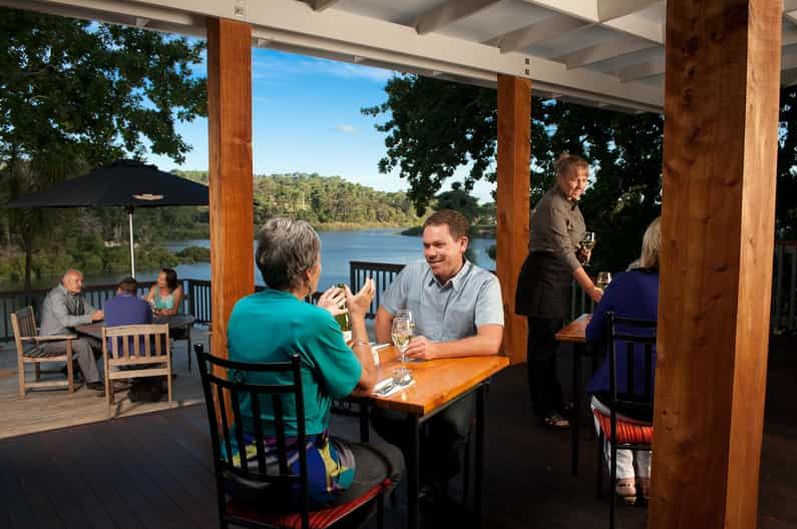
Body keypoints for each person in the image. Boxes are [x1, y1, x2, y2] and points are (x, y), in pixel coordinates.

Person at [226, 218, 404, 510]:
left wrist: (316, 312)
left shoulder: (241, 309)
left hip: (240, 465)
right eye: (319, 260)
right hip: (296, 475)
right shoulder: (313, 321)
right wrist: (357, 315)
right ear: (309, 273)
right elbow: (366, 382)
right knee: (393, 458)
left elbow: (284, 332)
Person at [373, 209, 504, 500]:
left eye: (439, 245)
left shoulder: (485, 283)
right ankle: (427, 465)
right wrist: (389, 359)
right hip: (414, 372)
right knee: (382, 414)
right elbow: (384, 317)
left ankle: (432, 475)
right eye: (426, 245)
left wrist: (435, 350)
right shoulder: (412, 273)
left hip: (463, 378)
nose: (430, 253)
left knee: (451, 426)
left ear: (462, 244)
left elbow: (491, 342)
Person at [515, 153, 603, 429]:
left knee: (551, 346)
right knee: (542, 349)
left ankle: (553, 398)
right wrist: (590, 288)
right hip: (543, 278)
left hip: (559, 277)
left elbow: (571, 246)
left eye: (585, 179)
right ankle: (544, 409)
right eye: (575, 179)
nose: (580, 185)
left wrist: (583, 251)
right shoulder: (552, 204)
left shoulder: (572, 205)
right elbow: (562, 251)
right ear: (560, 178)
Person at [585, 216, 661, 504]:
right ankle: (647, 473)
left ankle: (622, 473)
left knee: (600, 401)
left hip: (618, 403)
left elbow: (593, 335)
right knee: (653, 393)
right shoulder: (690, 291)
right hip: (670, 407)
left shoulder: (625, 282)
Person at [39, 269, 105, 391]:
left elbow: (90, 311)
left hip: (69, 336)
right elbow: (66, 321)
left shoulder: (76, 295)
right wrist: (91, 318)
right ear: (66, 282)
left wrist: (102, 313)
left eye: (81, 281)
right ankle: (93, 381)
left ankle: (72, 368)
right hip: (51, 340)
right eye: (77, 281)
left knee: (100, 345)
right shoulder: (56, 296)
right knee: (82, 344)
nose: (81, 284)